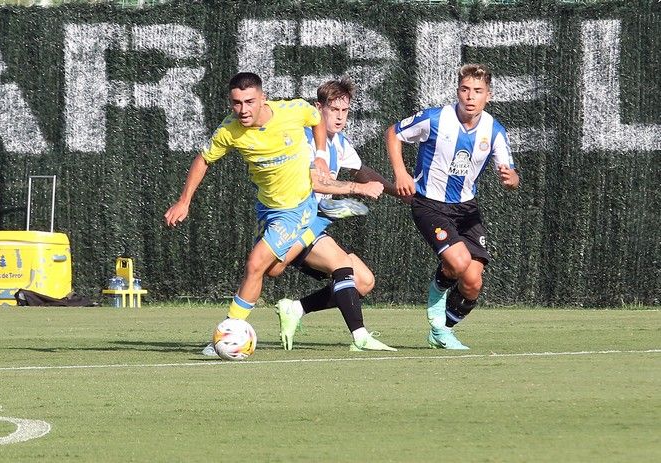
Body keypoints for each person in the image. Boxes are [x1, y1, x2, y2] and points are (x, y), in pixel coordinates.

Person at [164, 72, 394, 355]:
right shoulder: (230, 131)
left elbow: (317, 127)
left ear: (263, 98)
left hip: (298, 209)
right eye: (237, 103)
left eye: (250, 102)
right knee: (280, 268)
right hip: (271, 209)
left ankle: (230, 332)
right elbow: (203, 159)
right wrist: (184, 201)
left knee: (262, 264)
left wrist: (323, 156)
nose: (243, 110)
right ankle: (292, 308)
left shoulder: (295, 113)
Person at [386, 63, 519, 350]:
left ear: (488, 96)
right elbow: (394, 133)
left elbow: (510, 172)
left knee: (473, 282)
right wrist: (400, 172)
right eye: (465, 89)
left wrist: (511, 179)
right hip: (430, 204)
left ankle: (442, 330)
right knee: (458, 263)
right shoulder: (436, 119)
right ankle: (436, 297)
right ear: (458, 91)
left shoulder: (494, 131)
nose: (470, 96)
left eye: (477, 91)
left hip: (466, 210)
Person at [274, 76, 401, 351]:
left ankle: (296, 308)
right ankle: (360, 336)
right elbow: (316, 182)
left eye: (345, 111)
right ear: (318, 108)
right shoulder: (306, 141)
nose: (340, 117)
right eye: (334, 110)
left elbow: (360, 170)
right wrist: (357, 189)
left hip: (315, 224)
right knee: (335, 267)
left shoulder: (339, 143)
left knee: (363, 282)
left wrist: (397, 191)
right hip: (294, 221)